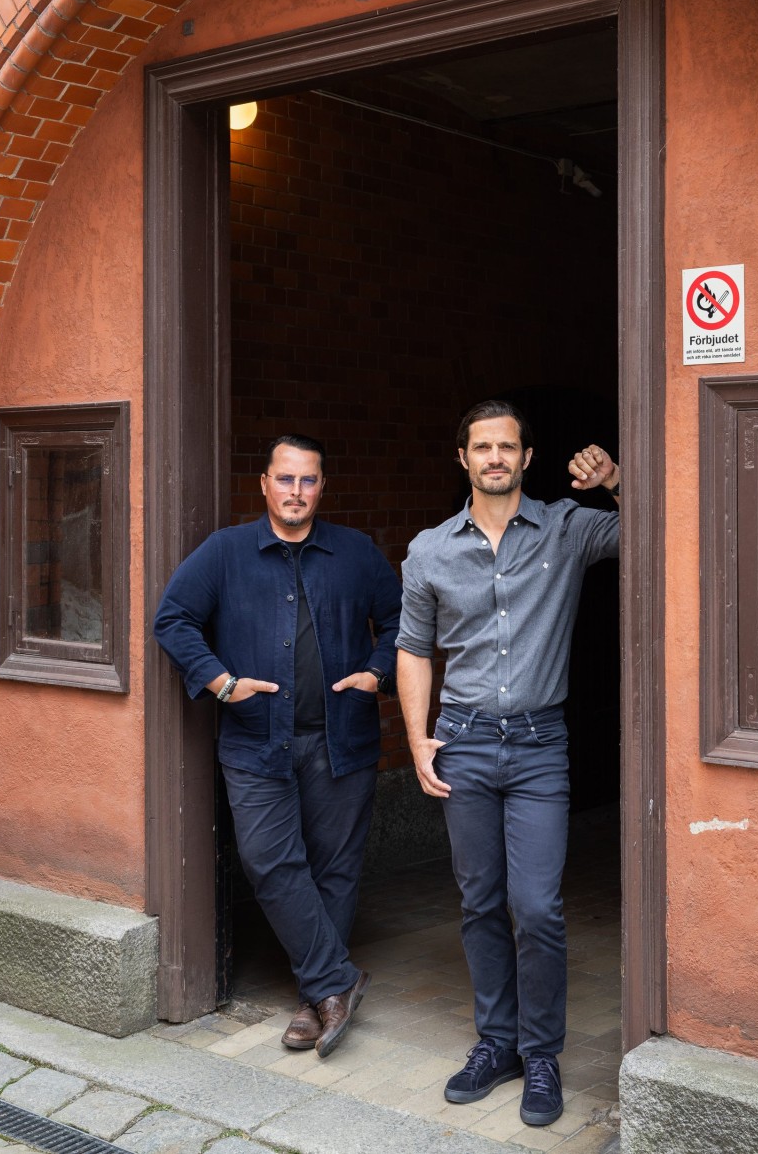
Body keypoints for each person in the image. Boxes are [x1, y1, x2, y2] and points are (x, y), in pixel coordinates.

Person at [395, 400, 620, 1127]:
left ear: (527, 457)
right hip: (461, 740)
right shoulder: (429, 550)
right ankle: (498, 1043)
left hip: (538, 748)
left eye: (508, 447)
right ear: (463, 458)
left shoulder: (567, 527)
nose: (495, 457)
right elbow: (412, 648)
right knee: (481, 901)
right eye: (482, 447)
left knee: (538, 907)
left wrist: (618, 479)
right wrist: (417, 738)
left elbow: (665, 526)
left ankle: (543, 1053)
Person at [153, 434, 401, 1059]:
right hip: (255, 742)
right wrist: (222, 683)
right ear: (263, 483)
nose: (296, 492)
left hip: (341, 738)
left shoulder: (355, 553)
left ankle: (315, 999)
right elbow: (173, 618)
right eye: (285, 479)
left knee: (335, 869)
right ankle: (336, 982)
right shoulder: (226, 552)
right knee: (268, 861)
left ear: (323, 487)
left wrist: (378, 671)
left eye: (308, 481)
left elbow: (403, 621)